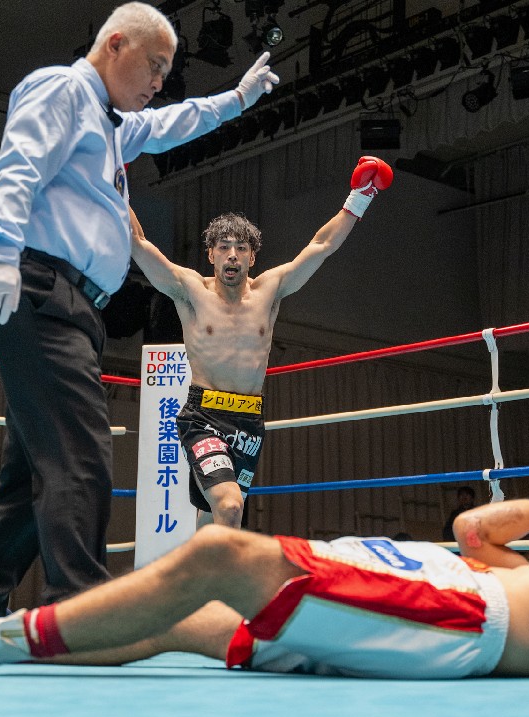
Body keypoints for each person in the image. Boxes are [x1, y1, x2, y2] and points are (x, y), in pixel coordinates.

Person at [0, 2, 280, 618]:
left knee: (34, 466)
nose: (158, 82)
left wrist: (235, 100)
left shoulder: (110, 125)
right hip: (41, 288)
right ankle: (79, 615)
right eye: (153, 65)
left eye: (165, 72)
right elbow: (17, 167)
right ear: (117, 44)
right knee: (80, 456)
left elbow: (170, 123)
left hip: (74, 303)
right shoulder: (64, 90)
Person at [0, 460, 529, 678]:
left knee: (218, 555)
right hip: (435, 585)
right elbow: (474, 530)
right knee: (184, 621)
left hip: (459, 615)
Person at [128, 157, 393, 528]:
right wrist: (118, 184)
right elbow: (138, 243)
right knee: (230, 506)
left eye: (241, 248)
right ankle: (216, 568)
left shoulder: (270, 290)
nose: (232, 255)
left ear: (252, 257)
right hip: (202, 417)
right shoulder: (190, 290)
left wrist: (361, 196)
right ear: (211, 255)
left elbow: (321, 245)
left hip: (249, 421)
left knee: (217, 519)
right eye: (223, 247)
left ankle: (202, 567)